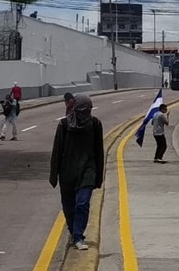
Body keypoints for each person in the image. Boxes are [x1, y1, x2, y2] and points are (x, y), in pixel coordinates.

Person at [49, 94, 104, 251]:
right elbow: (57, 152)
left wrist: (98, 177)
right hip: (67, 171)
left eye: (88, 111)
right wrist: (54, 175)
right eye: (82, 111)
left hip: (87, 170)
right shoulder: (65, 125)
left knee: (83, 203)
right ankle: (74, 232)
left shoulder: (95, 124)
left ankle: (79, 236)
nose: (84, 115)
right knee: (69, 207)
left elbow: (98, 151)